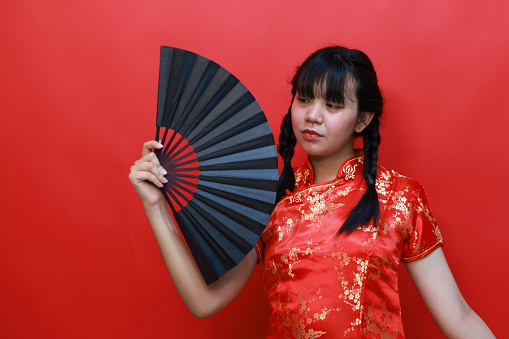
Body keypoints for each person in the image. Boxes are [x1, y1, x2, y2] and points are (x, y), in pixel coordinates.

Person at [129, 46, 495, 338]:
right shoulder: (271, 202)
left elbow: (459, 318)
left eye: (333, 105)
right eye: (304, 99)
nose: (312, 116)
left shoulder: (399, 196)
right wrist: (156, 206)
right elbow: (204, 300)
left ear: (363, 119)